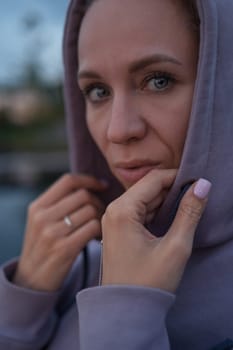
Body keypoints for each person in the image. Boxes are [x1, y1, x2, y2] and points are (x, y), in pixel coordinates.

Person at [0, 0, 232, 349]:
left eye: (158, 80)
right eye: (98, 91)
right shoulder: (80, 256)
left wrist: (126, 312)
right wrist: (25, 295)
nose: (118, 130)